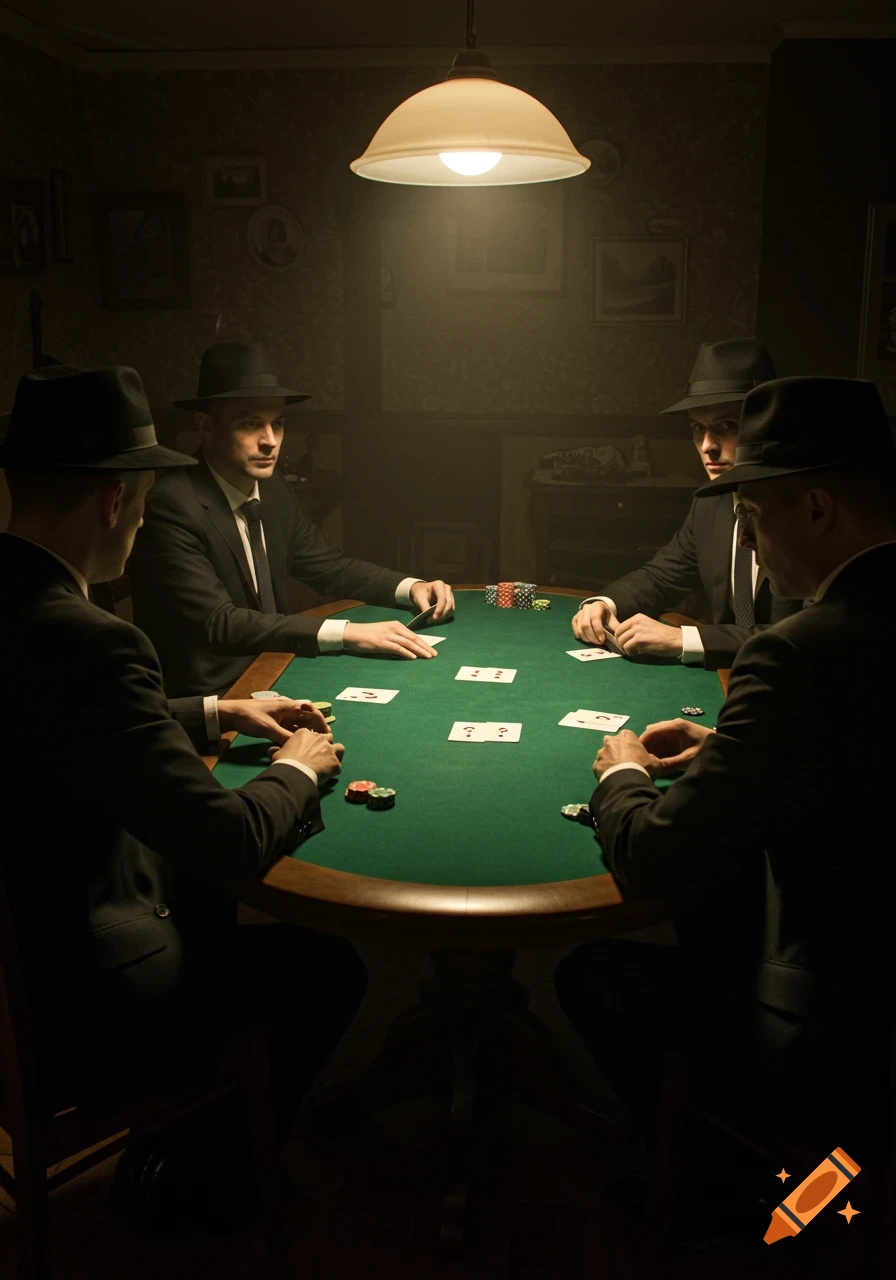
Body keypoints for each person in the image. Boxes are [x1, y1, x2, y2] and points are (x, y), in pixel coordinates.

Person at [0, 365, 367, 1220]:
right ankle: (207, 1184)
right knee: (325, 968)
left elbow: (61, 717)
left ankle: (186, 1138)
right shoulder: (92, 641)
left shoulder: (24, 610)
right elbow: (231, 836)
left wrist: (216, 711)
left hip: (25, 953)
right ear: (115, 502)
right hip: (78, 1008)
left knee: (204, 895)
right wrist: (298, 768)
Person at [556, 375, 896, 1168]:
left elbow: (657, 858)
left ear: (815, 509)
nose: (748, 541)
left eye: (752, 518)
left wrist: (622, 774)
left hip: (834, 1022)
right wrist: (730, 754)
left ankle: (723, 1182)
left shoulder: (797, 651)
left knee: (594, 969)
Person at [129, 342, 456, 696]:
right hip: (216, 696)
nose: (270, 441)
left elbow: (330, 566)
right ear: (206, 426)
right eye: (250, 424)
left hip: (278, 668)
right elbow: (220, 623)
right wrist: (345, 632)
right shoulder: (172, 505)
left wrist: (410, 587)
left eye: (278, 424)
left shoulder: (271, 489)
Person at [571, 340, 802, 669]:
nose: (707, 446)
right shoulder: (714, 504)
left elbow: (807, 638)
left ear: (766, 424)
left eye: (727, 425)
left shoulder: (803, 513)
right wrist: (605, 603)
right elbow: (660, 577)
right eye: (698, 428)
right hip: (729, 681)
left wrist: (684, 639)